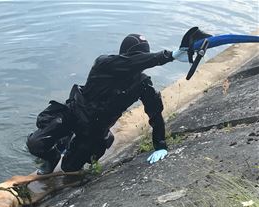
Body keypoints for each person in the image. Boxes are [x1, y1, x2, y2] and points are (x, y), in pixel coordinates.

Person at [27, 34, 188, 175]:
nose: (138, 61)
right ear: (125, 56)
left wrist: (160, 144)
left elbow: (155, 113)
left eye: (142, 57)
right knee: (36, 143)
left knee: (70, 167)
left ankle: (81, 144)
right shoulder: (104, 64)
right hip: (74, 114)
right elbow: (132, 62)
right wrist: (169, 55)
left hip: (95, 128)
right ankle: (53, 155)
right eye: (135, 57)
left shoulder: (142, 84)